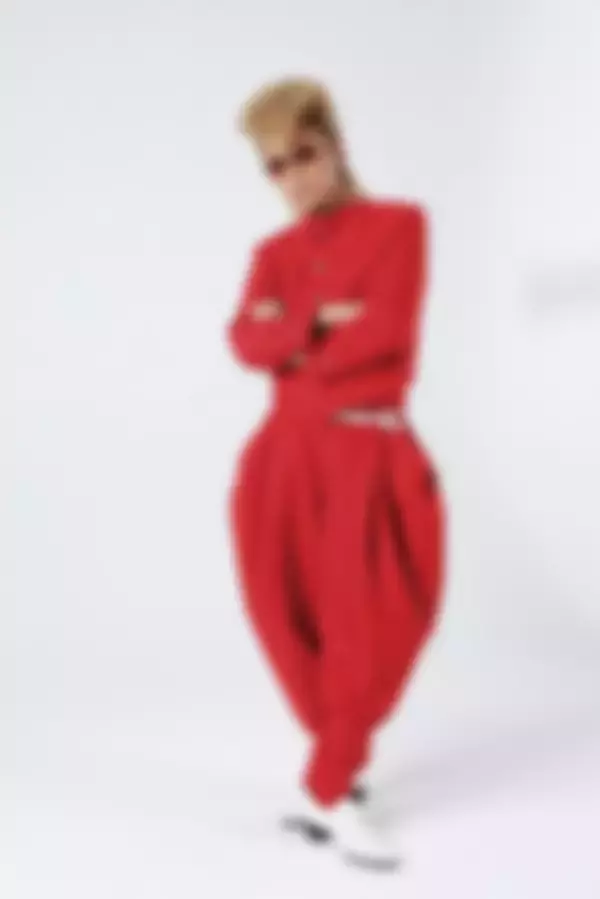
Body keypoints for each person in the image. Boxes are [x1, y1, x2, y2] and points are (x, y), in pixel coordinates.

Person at [226, 77, 445, 871]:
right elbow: (242, 342)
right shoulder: (271, 256)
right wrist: (318, 319)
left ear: (336, 145)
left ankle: (327, 781)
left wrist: (286, 334)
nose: (292, 178)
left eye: (304, 155)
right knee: (292, 619)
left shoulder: (400, 227)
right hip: (282, 459)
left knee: (387, 616)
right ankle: (335, 781)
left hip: (369, 452)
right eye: (274, 166)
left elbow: (384, 337)